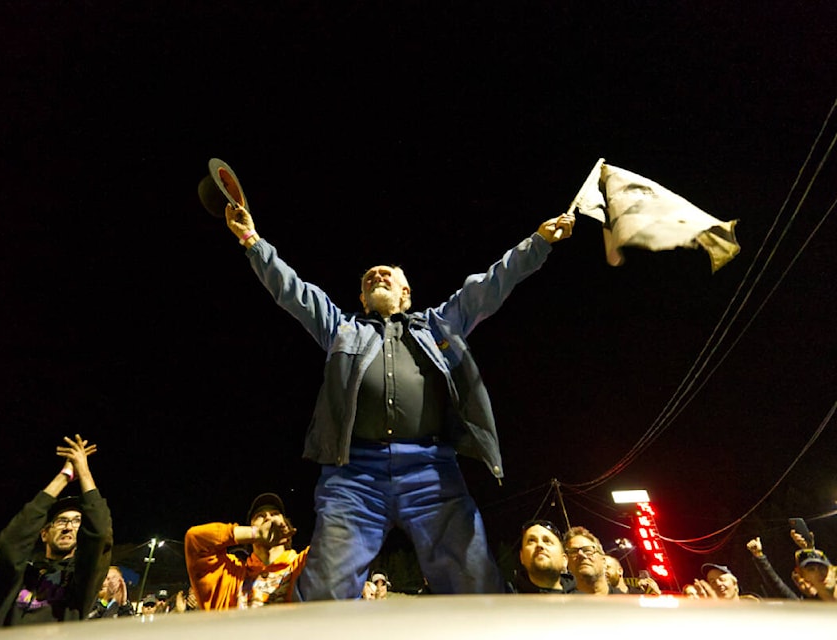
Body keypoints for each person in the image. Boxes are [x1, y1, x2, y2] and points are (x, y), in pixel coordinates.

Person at [222, 193, 575, 600]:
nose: (376, 275)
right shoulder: (342, 328)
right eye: (369, 277)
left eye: (386, 274)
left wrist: (538, 243)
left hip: (431, 470)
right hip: (355, 475)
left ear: (406, 291)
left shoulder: (440, 325)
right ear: (360, 299)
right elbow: (294, 291)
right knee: (326, 590)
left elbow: (490, 285)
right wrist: (251, 238)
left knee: (473, 581)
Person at [0, 434, 113, 627]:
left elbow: (100, 535)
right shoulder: (19, 577)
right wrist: (65, 476)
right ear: (44, 533)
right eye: (61, 521)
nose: (68, 527)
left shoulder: (80, 582)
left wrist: (84, 471)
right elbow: (11, 543)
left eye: (77, 521)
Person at [184, 492, 309, 609]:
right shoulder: (230, 574)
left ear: (286, 526)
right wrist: (255, 533)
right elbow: (195, 539)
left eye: (275, 514)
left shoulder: (304, 565)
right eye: (260, 516)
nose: (268, 518)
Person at [513, 521, 577, 594]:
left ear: (564, 559)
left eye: (547, 541)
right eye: (531, 541)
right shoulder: (508, 601)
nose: (539, 545)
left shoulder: (584, 602)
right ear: (522, 557)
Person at [563, 527, 620, 595]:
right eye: (573, 552)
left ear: (604, 561)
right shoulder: (560, 603)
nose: (581, 554)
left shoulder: (627, 602)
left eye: (587, 550)